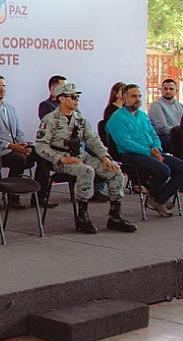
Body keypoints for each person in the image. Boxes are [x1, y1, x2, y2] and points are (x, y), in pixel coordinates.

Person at [34, 83, 136, 234]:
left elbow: (93, 140)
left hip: (81, 155)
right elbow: (40, 146)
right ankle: (83, 216)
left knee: (115, 171)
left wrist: (105, 157)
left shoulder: (80, 119)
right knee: (86, 171)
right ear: (61, 99)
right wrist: (61, 159)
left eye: (77, 97)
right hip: (61, 160)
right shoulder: (50, 120)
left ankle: (115, 216)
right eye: (73, 97)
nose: (76, 100)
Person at [0, 74, 53, 209]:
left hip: (16, 147)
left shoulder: (10, 108)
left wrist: (23, 144)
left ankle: (39, 197)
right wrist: (11, 146)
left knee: (42, 153)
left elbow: (18, 131)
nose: (2, 89)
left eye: (4, 86)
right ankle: (12, 198)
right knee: (19, 159)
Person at [106, 83, 183, 218]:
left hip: (151, 152)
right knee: (164, 170)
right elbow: (125, 143)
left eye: (140, 96)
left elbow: (153, 134)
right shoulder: (116, 118)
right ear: (124, 97)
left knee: (181, 167)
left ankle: (158, 199)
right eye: (134, 96)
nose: (138, 99)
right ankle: (158, 198)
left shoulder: (142, 115)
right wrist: (150, 152)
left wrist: (157, 149)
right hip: (130, 154)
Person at [148, 79, 181, 150]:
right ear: (161, 90)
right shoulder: (156, 105)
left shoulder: (180, 106)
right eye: (165, 89)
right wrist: (179, 133)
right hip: (163, 137)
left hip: (178, 136)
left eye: (171, 89)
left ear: (176, 91)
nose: (168, 91)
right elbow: (162, 129)